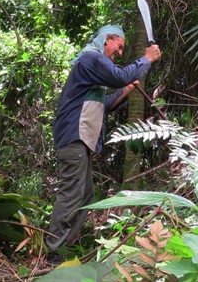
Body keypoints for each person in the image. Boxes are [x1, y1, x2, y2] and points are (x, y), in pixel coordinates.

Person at [45, 24, 161, 265]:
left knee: (85, 195)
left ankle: (62, 247)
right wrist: (146, 59)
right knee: (71, 192)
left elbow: (103, 104)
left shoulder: (92, 67)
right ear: (108, 39)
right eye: (119, 47)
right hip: (73, 136)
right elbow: (119, 75)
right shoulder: (91, 58)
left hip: (80, 140)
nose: (119, 53)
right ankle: (53, 251)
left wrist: (127, 88)